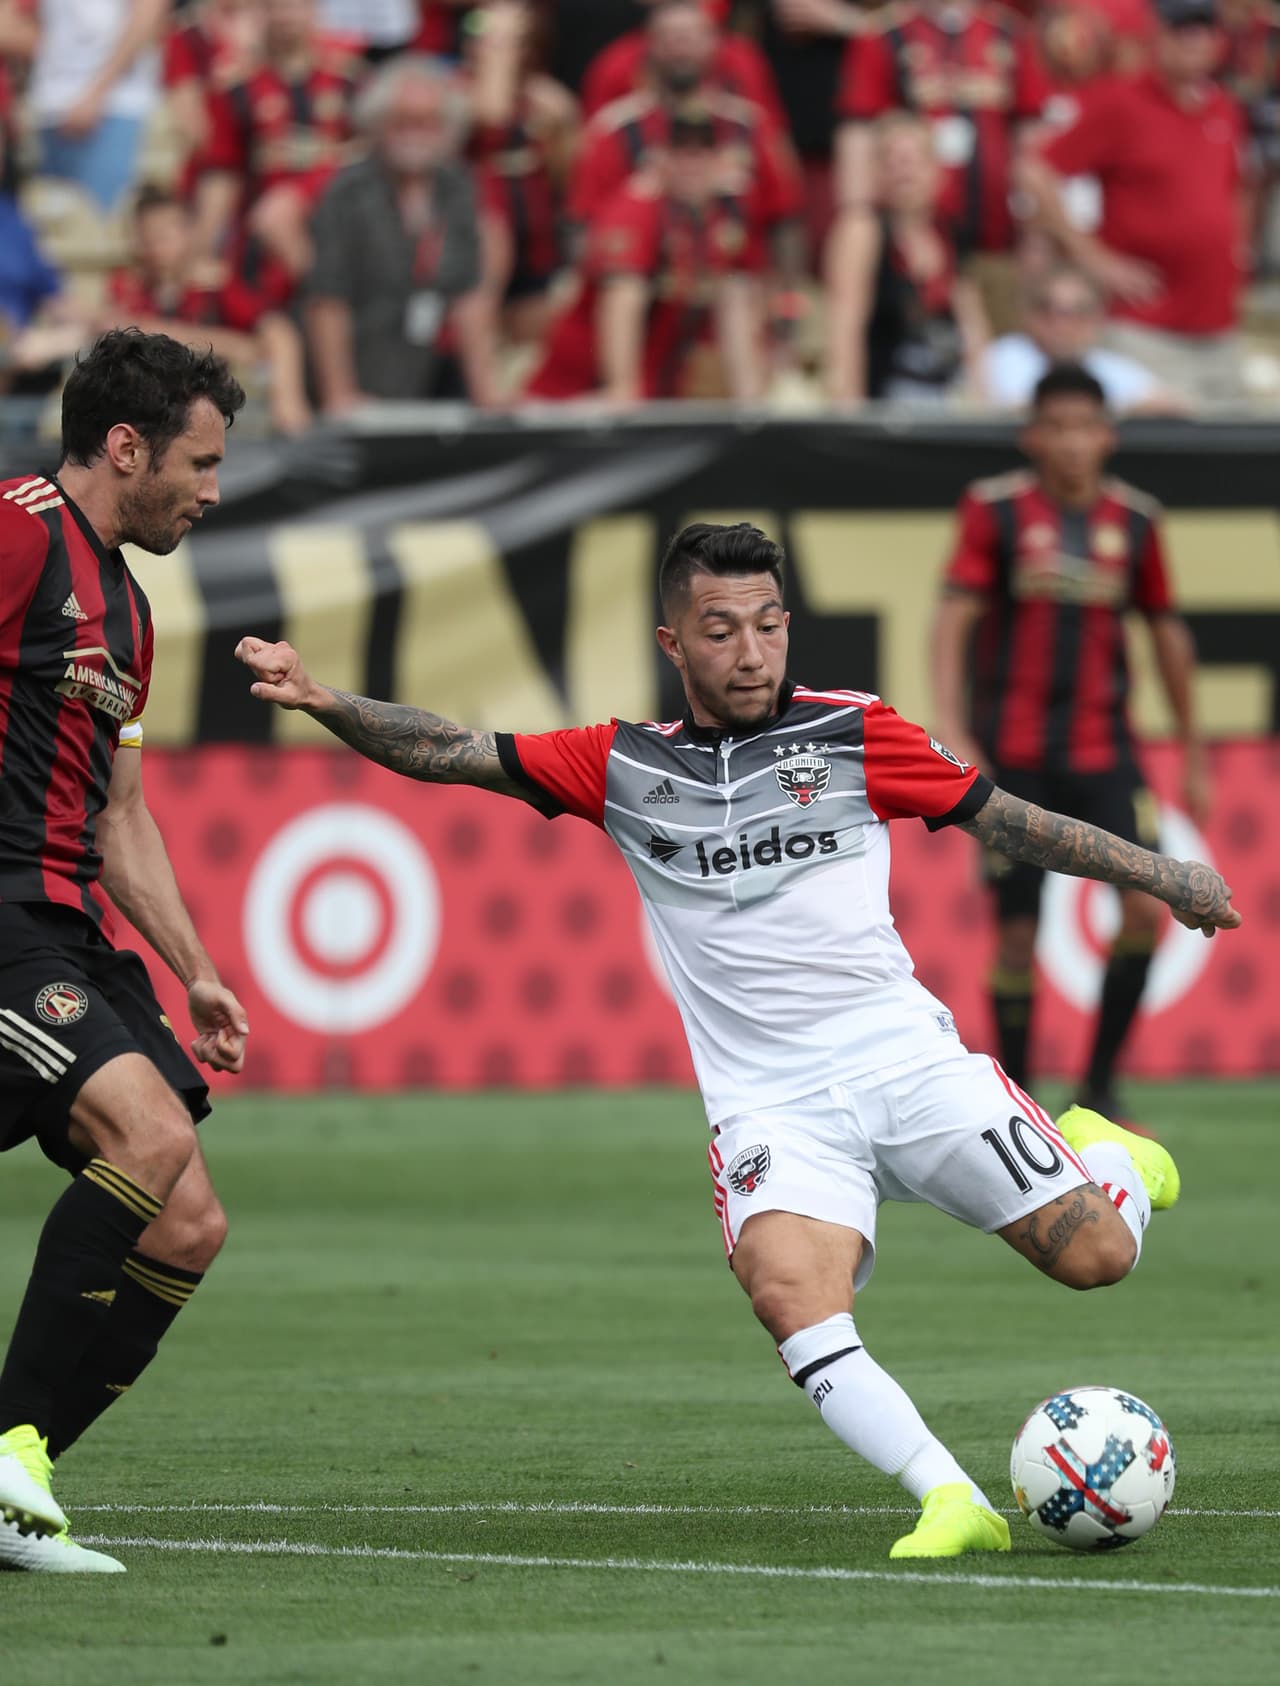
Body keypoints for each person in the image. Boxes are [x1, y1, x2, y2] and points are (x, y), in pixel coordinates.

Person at [235, 518, 1238, 1561]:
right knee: (788, 1297)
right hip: (771, 1104)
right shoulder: (620, 764)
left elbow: (1006, 821)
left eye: (766, 625)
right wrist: (322, 699)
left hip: (905, 1061)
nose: (750, 651)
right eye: (719, 630)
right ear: (673, 644)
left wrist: (1164, 875)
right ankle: (950, 1498)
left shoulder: (853, 733)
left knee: (1098, 1259)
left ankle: (1116, 1156)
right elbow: (447, 750)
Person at [0, 329, 250, 1573]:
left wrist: (195, 966)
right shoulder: (17, 531)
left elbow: (120, 816)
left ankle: (13, 1470)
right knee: (149, 1142)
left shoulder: (130, 610)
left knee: (186, 1219)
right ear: (124, 446)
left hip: (65, 923)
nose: (212, 490)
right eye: (199, 463)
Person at [931, 362, 1209, 1112]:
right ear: (1031, 435)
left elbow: (1166, 633)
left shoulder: (1137, 521)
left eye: (1085, 426)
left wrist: (1192, 749)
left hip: (1106, 753)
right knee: (1016, 936)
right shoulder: (995, 513)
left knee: (1146, 911)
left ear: (1108, 436)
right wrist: (955, 729)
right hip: (1013, 754)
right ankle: (1017, 1097)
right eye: (1055, 426)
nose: (1072, 442)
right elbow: (952, 620)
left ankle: (1099, 1085)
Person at [1020, 0, 1250, 403]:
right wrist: (1093, 257)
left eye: (1204, 29)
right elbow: (1035, 172)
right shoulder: (1121, 102)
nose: (1194, 40)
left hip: (1218, 329)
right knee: (1159, 453)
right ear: (1155, 36)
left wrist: (1237, 253)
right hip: (1146, 329)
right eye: (1181, 29)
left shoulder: (1225, 108)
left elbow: (1232, 191)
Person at [526, 111, 769, 404]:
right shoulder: (636, 209)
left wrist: (750, 401)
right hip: (575, 395)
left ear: (720, 160)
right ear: (660, 158)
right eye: (680, 153)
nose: (691, 165)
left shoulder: (722, 218)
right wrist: (623, 390)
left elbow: (735, 303)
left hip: (657, 395)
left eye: (701, 153)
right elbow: (622, 300)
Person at [304, 54, 501, 411]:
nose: (415, 133)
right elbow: (327, 301)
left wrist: (486, 392)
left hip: (414, 381)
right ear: (378, 124)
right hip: (343, 381)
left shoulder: (457, 187)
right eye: (403, 121)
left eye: (429, 122)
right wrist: (339, 394)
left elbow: (468, 297)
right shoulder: (347, 192)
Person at [834, 0, 1051, 258]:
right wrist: (858, 225)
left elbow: (1034, 148)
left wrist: (1038, 234)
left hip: (999, 239)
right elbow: (858, 144)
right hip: (912, 248)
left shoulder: (1009, 33)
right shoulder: (883, 35)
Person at [102, 185, 312, 436]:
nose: (156, 248)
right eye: (147, 238)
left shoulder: (215, 286)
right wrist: (229, 345)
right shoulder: (126, 288)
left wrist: (288, 401)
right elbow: (124, 336)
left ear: (187, 233)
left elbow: (270, 334)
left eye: (165, 236)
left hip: (214, 406)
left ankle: (293, 421)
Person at [195, 0, 363, 300]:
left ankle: (330, 302)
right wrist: (204, 245)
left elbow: (370, 153)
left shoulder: (347, 78)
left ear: (315, 9)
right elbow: (222, 170)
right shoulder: (237, 86)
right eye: (276, 6)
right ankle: (328, 301)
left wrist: (324, 161)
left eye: (296, 5)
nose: (286, 16)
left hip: (336, 221)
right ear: (261, 12)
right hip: (261, 241)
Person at [825, 111, 989, 402]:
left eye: (914, 160)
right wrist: (848, 411)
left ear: (937, 171)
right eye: (891, 160)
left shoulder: (949, 233)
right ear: (875, 172)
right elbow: (845, 330)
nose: (904, 170)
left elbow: (973, 332)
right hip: (884, 403)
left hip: (944, 399)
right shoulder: (861, 230)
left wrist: (984, 401)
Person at [28, 0, 166, 212]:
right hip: (51, 108)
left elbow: (148, 14)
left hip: (114, 109)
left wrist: (96, 95)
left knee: (105, 229)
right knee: (59, 231)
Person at [979, 263, 1175, 411]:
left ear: (1097, 318)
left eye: (1077, 312)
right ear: (1027, 314)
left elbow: (1169, 407)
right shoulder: (1001, 356)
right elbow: (1012, 412)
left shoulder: (1112, 366)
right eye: (1046, 309)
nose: (1060, 324)